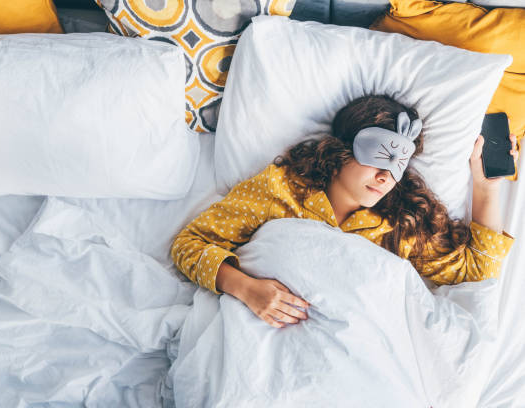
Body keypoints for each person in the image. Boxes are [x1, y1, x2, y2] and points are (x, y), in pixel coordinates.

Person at [170, 95, 517, 328]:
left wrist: (486, 186)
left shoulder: (400, 227)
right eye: (379, 156)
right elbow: (190, 244)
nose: (386, 175)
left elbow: (479, 273)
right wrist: (246, 288)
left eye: (398, 165)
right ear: (339, 151)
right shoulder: (281, 189)